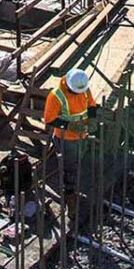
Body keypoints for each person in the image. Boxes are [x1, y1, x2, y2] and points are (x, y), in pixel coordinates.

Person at [43, 67, 94, 198]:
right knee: (70, 165)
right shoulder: (56, 96)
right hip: (66, 138)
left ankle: (73, 179)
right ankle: (70, 192)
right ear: (69, 86)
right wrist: (70, 126)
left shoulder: (83, 88)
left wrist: (92, 119)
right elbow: (49, 120)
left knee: (78, 159)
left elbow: (92, 105)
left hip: (82, 134)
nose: (78, 94)